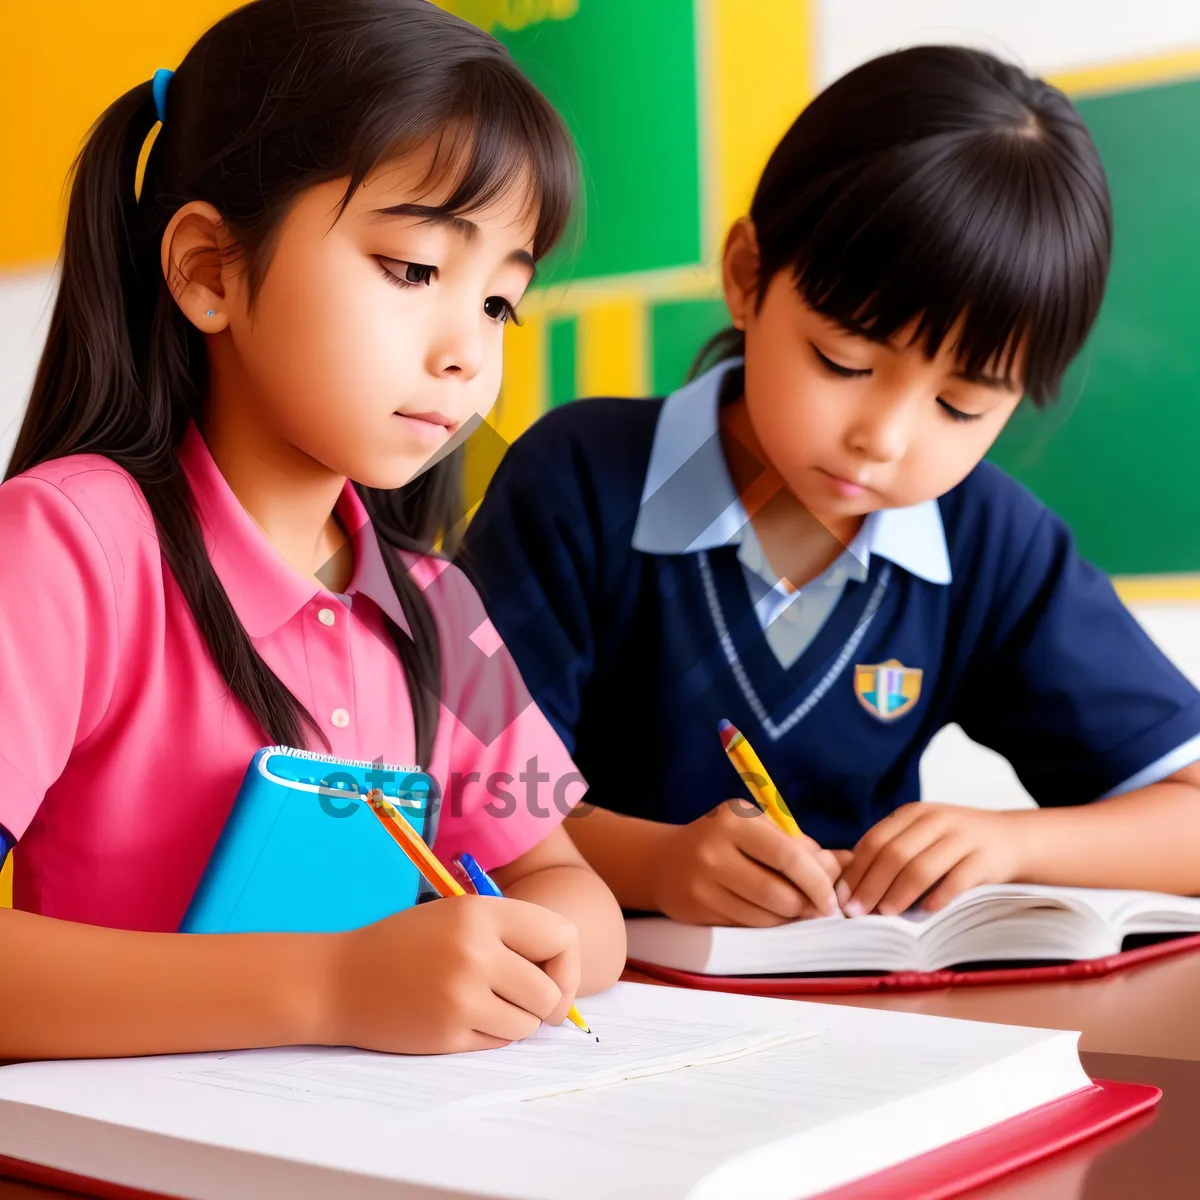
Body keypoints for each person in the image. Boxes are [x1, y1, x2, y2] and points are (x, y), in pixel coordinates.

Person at [0, 0, 625, 1061]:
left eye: (499, 304)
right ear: (209, 269)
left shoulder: (440, 609)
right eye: (416, 270)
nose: (467, 352)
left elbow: (563, 879)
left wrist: (531, 949)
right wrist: (337, 985)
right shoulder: (66, 549)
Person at [459, 45, 1200, 929]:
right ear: (746, 277)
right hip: (595, 1007)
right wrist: (653, 865)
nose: (882, 438)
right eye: (841, 360)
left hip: (871, 1023)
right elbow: (463, 790)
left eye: (960, 406)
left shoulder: (991, 544)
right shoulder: (579, 480)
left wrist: (1010, 844)